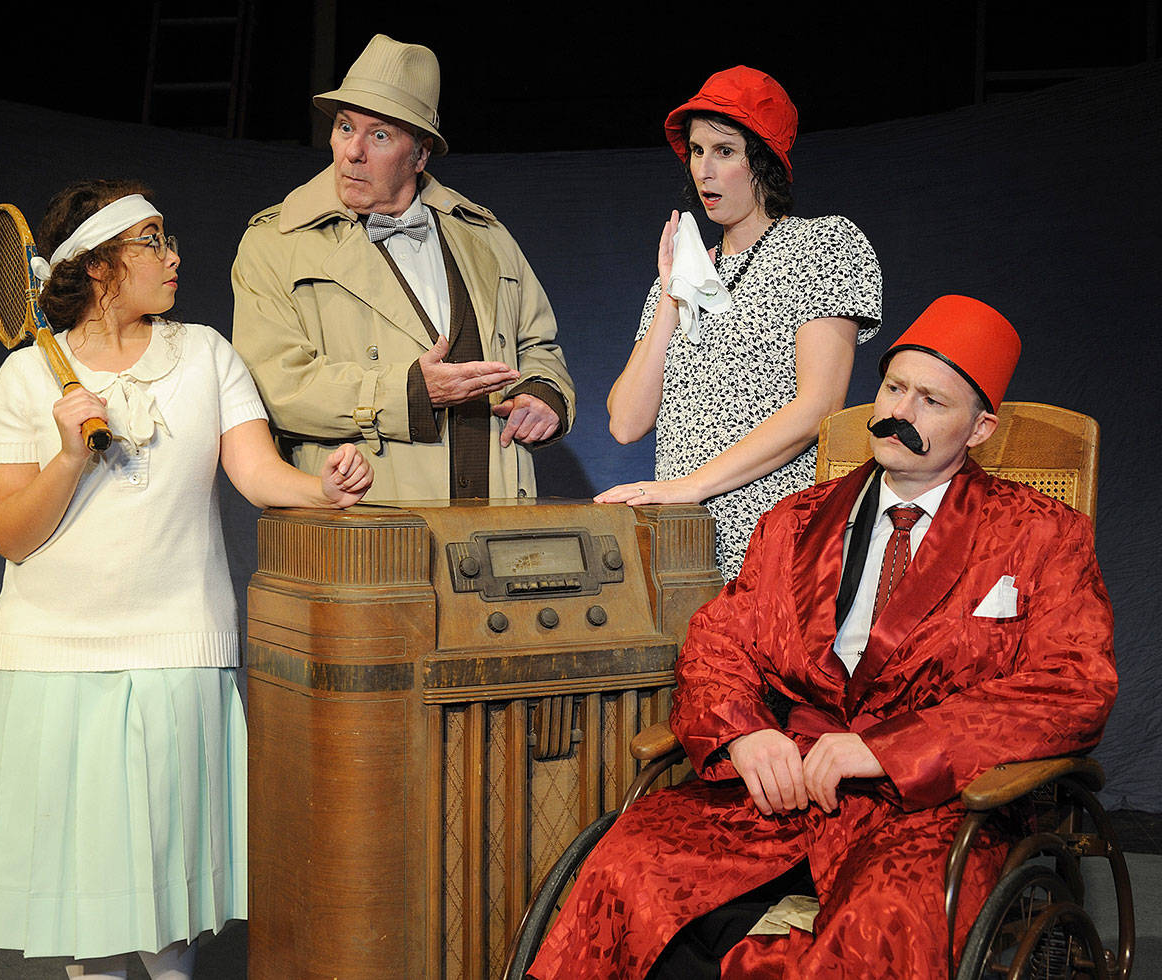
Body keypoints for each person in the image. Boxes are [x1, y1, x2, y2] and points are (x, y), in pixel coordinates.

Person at [530, 295, 1117, 979]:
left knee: (885, 922)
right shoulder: (797, 521)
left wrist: (887, 750)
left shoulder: (1040, 534)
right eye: (894, 387)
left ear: (980, 429)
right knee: (630, 862)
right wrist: (744, 733)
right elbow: (719, 643)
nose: (901, 413)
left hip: (929, 810)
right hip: (785, 788)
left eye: (933, 402)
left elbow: (1074, 688)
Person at [0, 179, 373, 980]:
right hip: (52, 662)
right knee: (87, 902)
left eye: (167, 237)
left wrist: (322, 487)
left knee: (166, 897)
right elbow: (10, 532)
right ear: (102, 266)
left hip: (176, 652)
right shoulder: (23, 380)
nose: (174, 254)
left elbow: (257, 473)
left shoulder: (206, 354)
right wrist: (71, 456)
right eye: (152, 241)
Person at [232, 34, 575, 501]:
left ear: (420, 154)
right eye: (345, 127)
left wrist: (544, 395)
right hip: (371, 525)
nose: (353, 151)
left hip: (494, 522)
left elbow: (538, 345)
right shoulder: (276, 243)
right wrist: (408, 393)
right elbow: (279, 386)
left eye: (379, 135)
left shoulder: (485, 236)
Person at [596, 66, 882, 580]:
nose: (702, 169)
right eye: (696, 151)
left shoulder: (821, 246)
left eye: (724, 151)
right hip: (683, 543)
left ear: (765, 162)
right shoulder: (691, 273)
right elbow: (626, 423)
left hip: (772, 542)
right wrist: (670, 292)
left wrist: (693, 485)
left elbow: (820, 404)